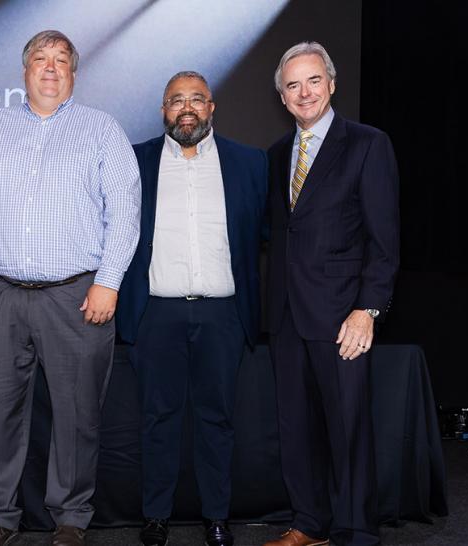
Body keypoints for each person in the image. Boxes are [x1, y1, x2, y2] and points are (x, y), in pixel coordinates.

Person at [0, 30, 141, 546]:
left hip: (76, 295)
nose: (50, 68)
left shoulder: (102, 131)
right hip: (0, 295)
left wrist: (108, 283)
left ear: (74, 74)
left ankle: (72, 517)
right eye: (40, 59)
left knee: (78, 413)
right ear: (25, 71)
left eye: (61, 61)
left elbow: (125, 213)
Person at [116, 71, 267, 546]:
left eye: (196, 99)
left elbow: (262, 237)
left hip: (223, 314)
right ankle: (155, 517)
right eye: (176, 100)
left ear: (211, 107)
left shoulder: (249, 163)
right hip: (156, 313)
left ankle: (216, 517)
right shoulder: (133, 161)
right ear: (163, 110)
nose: (187, 108)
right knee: (157, 419)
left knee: (217, 420)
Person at [263, 42, 399, 546]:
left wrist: (368, 310)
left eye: (313, 80)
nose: (304, 92)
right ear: (282, 96)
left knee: (348, 431)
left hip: (344, 316)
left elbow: (385, 242)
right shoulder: (277, 155)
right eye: (293, 85)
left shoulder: (367, 144)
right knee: (296, 431)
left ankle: (356, 531)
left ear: (332, 84)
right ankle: (309, 524)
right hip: (286, 318)